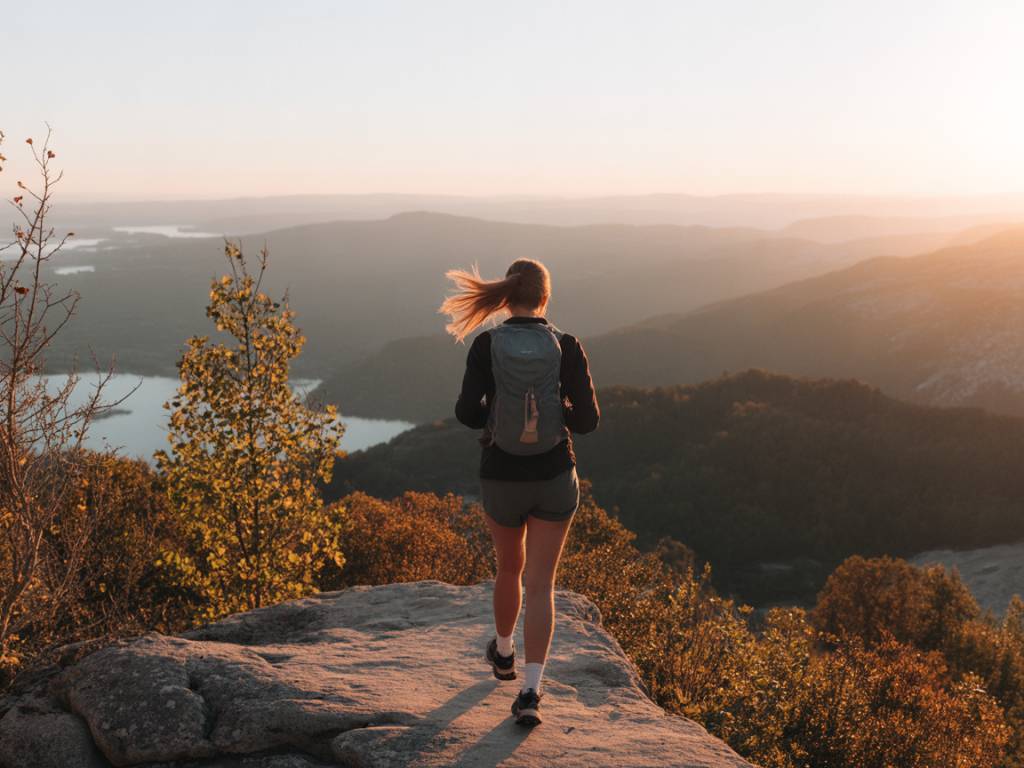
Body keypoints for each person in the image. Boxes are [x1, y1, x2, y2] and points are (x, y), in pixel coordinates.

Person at [439, 258, 599, 727]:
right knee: (541, 583)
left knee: (509, 567)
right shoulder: (566, 346)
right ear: (546, 297)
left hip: (500, 476)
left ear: (505, 297)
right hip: (553, 476)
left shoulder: (487, 344)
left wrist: (499, 408)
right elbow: (587, 423)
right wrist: (554, 407)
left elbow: (468, 413)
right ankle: (530, 692)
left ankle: (503, 653)